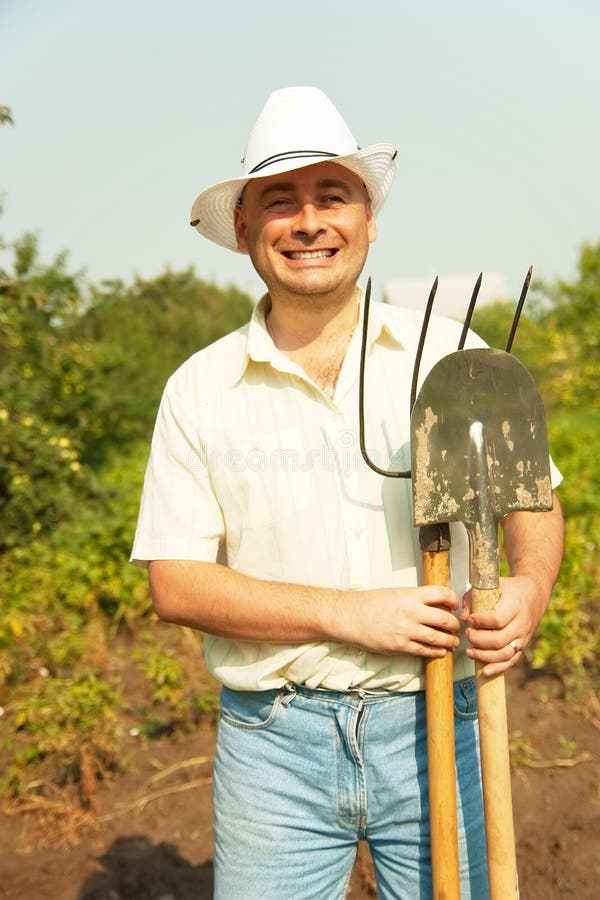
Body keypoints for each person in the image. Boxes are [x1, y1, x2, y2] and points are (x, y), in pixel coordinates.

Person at [131, 87, 564, 899]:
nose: (309, 222)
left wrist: (530, 588)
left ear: (369, 218)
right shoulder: (199, 389)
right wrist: (347, 611)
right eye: (279, 201)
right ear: (243, 228)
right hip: (274, 746)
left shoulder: (449, 358)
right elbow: (176, 582)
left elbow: (532, 504)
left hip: (444, 717)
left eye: (333, 195)